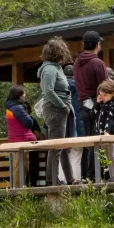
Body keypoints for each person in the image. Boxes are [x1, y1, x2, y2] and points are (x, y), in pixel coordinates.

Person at [37, 37, 76, 184]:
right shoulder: (49, 69)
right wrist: (62, 105)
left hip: (60, 110)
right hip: (55, 110)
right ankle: (52, 180)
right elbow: (48, 91)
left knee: (63, 146)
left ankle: (70, 178)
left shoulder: (56, 68)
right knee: (55, 147)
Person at [74, 30, 108, 179]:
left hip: (82, 104)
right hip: (97, 103)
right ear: (98, 45)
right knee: (98, 140)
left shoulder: (76, 63)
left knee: (88, 140)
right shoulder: (97, 63)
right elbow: (106, 87)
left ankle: (86, 176)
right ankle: (97, 176)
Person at [5, 85, 42, 185]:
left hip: (15, 140)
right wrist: (28, 116)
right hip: (23, 140)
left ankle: (20, 189)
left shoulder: (10, 106)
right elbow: (29, 122)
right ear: (19, 95)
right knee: (24, 167)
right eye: (24, 93)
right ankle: (22, 190)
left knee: (18, 166)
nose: (25, 95)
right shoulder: (17, 108)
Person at [94, 79, 114, 181]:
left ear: (112, 94)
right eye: (101, 95)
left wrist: (107, 131)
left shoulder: (113, 105)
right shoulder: (103, 104)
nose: (103, 98)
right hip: (102, 134)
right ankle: (110, 176)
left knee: (113, 155)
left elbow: (110, 119)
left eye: (105, 95)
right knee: (106, 156)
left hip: (110, 133)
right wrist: (97, 103)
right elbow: (95, 114)